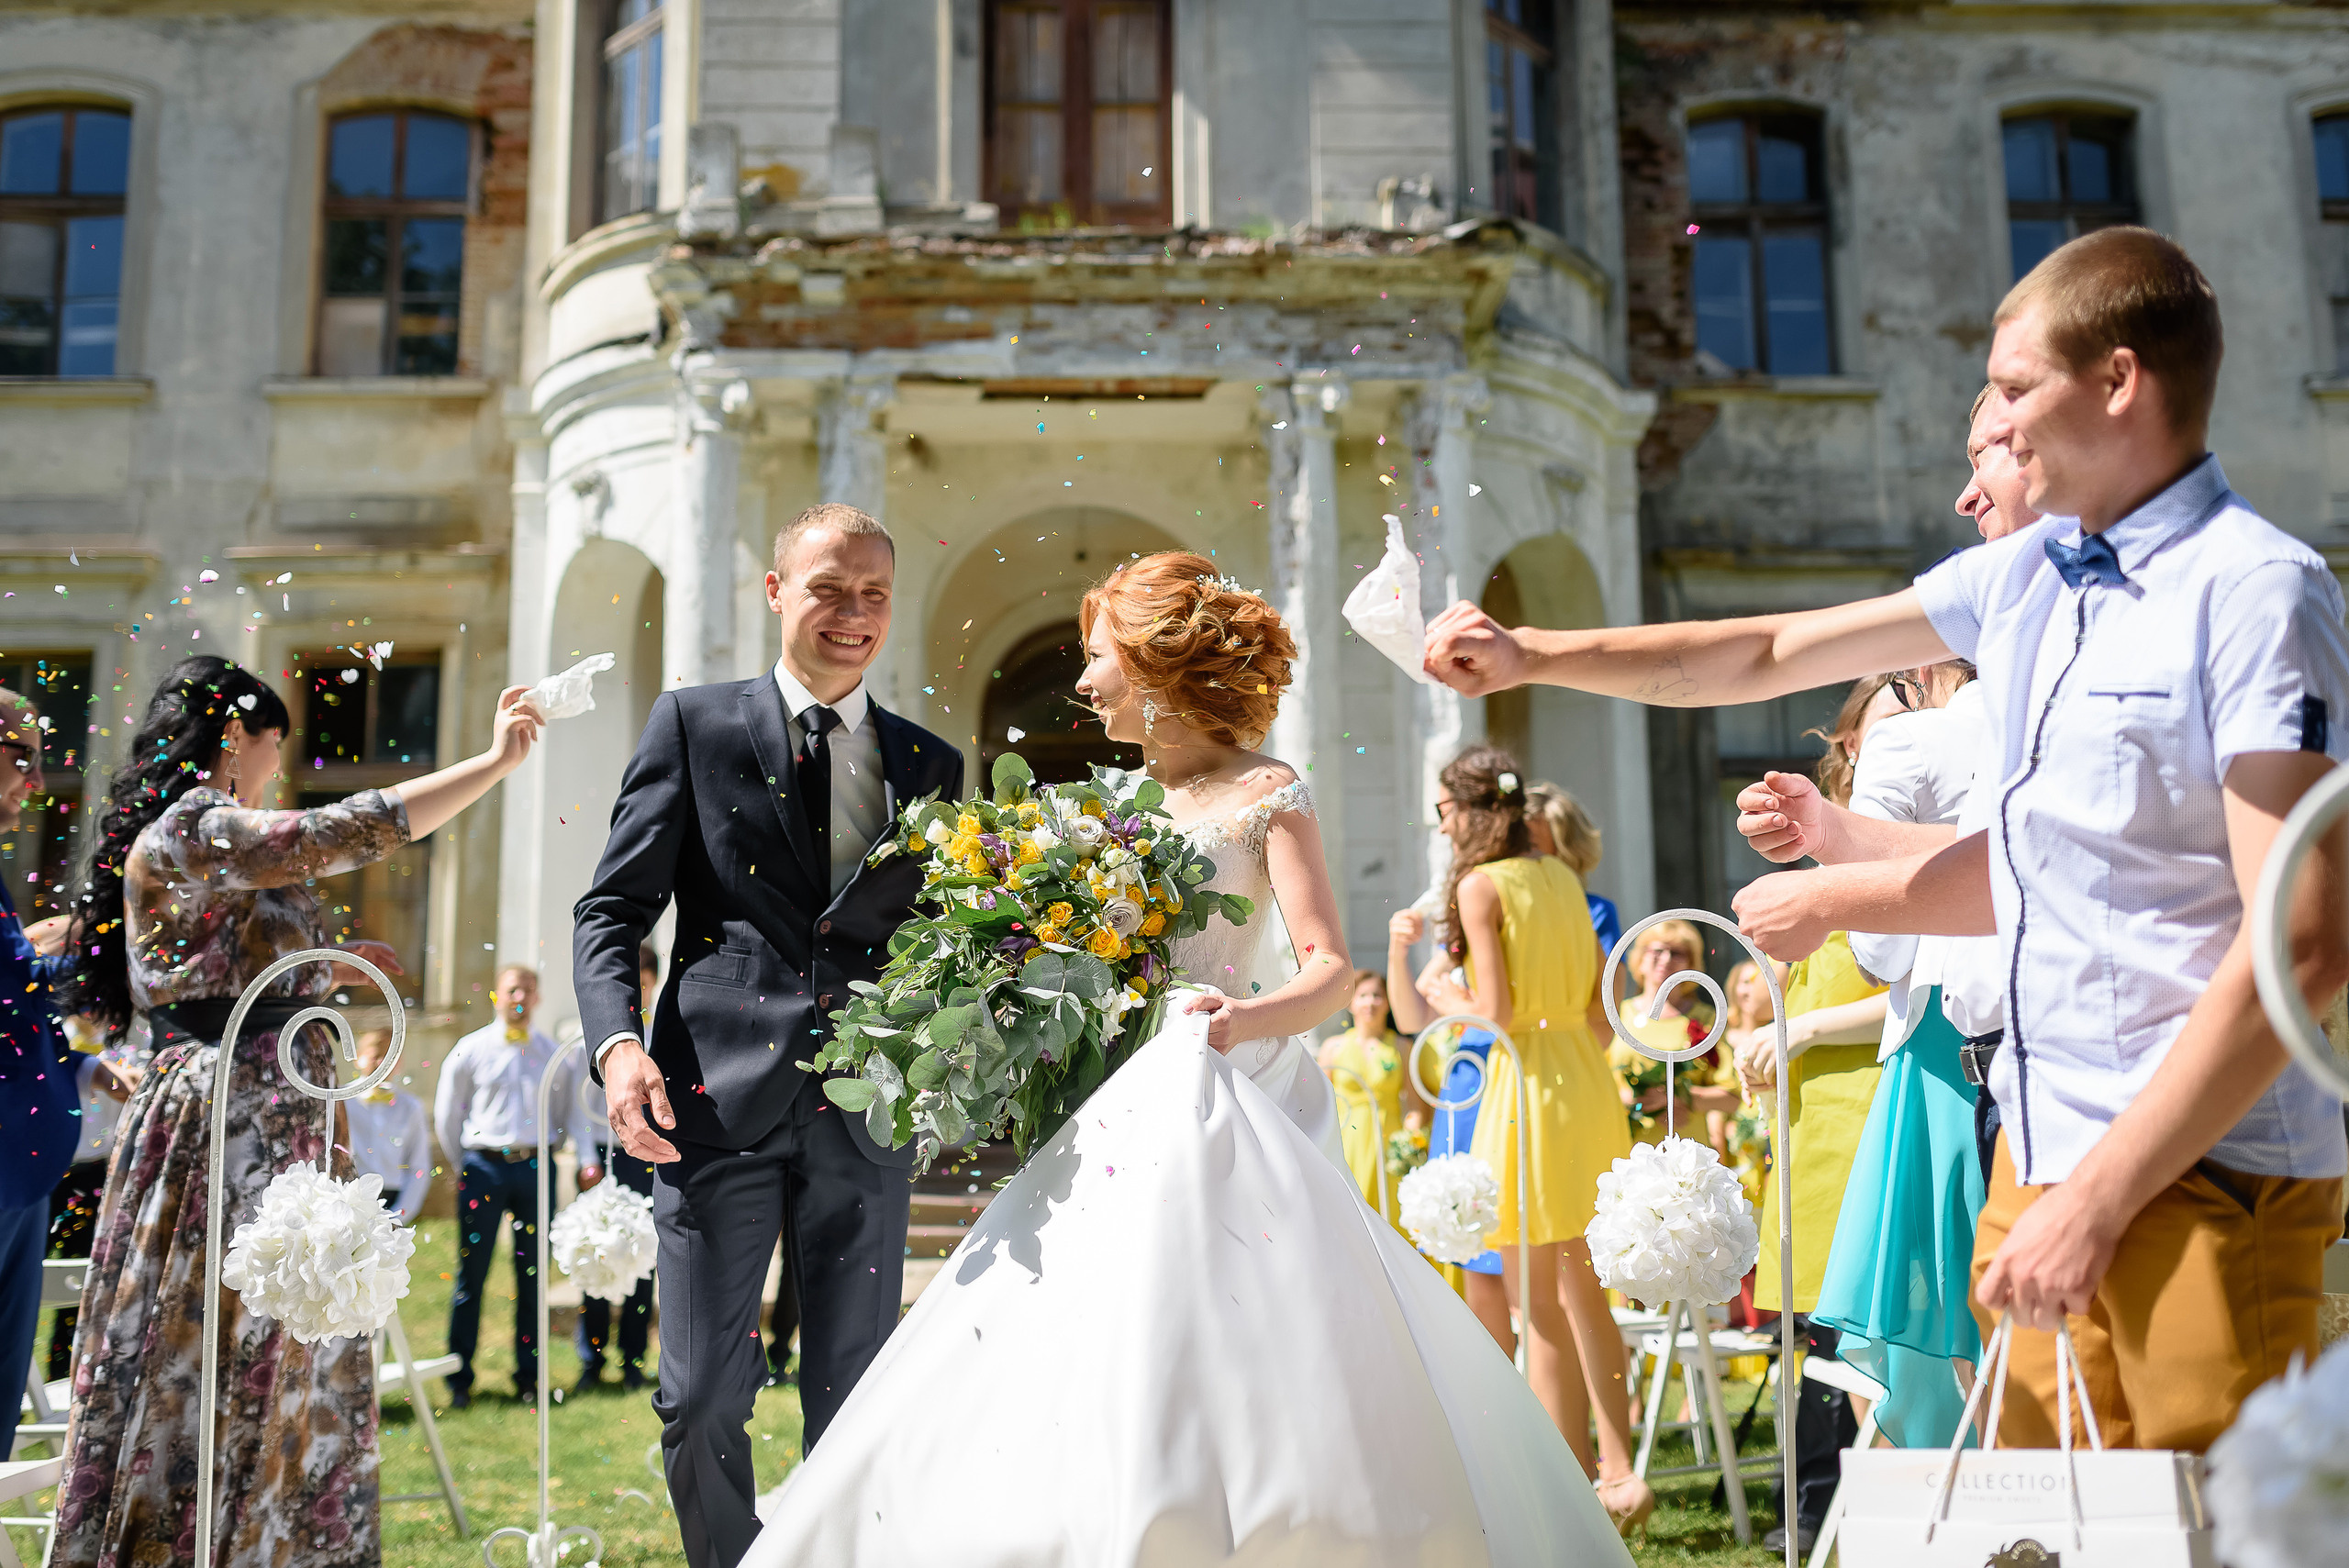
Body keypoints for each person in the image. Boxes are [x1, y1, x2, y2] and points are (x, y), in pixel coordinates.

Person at [1423, 226, 2349, 1453]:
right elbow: (1770, 651)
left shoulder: (2257, 589)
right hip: (2038, 1153)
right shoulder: (2025, 578)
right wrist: (1534, 654)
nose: (1995, 425)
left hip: (2212, 1169)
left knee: (2222, 1524)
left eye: (2015, 387)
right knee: (2044, 1526)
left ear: (2118, 382)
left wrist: (2100, 1195)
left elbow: (2303, 943)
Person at [741, 555, 1631, 1567]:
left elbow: (1329, 968)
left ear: (1155, 665)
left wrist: (1239, 1020)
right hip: (1114, 1100)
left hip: (1226, 1093)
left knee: (1235, 1324)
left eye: (1097, 658)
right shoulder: (1111, 804)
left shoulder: (1267, 791)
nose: (1083, 682)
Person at [54, 653, 541, 1568]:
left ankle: (274, 1545)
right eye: (276, 744)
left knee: (291, 1345)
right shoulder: (189, 827)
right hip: (224, 1123)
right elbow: (332, 831)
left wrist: (323, 965)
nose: (277, 766)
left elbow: (233, 961)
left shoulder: (213, 842)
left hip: (283, 1113)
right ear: (236, 733)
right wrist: (493, 763)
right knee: (218, 1343)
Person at [573, 503, 964, 1568]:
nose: (853, 612)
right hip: (710, 1101)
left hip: (866, 1111)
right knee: (701, 1392)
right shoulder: (693, 724)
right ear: (777, 589)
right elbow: (611, 910)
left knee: (855, 1397)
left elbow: (939, 938)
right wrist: (616, 1045)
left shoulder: (930, 762)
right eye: (829, 587)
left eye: (874, 593)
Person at [1387, 746, 1650, 1530]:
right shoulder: (1563, 877)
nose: (1442, 826)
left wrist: (1447, 997)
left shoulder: (1481, 885)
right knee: (1585, 1289)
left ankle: (1565, 1492)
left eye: (1443, 811)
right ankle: (1618, 1470)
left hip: (1521, 1088)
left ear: (1471, 811)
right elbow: (1604, 1013)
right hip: (1583, 1083)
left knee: (1534, 1297)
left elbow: (1494, 1012)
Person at [434, 965, 601, 1407]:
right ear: (497, 995)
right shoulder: (469, 1049)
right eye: (512, 990)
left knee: (533, 1276)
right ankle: (459, 1378)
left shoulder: (553, 1054)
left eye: (528, 990)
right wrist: (464, 1164)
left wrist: (566, 1154)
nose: (520, 997)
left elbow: (568, 1113)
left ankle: (529, 1377)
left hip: (534, 1169)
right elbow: (448, 1114)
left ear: (538, 998)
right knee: (472, 1273)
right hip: (483, 1168)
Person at [0, 684, 81, 1439]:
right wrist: (104, 944)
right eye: (22, 756)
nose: (37, 779)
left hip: (24, 1172)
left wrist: (78, 1066)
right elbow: (12, 984)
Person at [578, 944, 662, 1394]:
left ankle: (632, 1358)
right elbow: (577, 1108)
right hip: (603, 1155)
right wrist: (586, 1160)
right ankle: (591, 1359)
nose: (637, 993)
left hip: (645, 1156)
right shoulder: (593, 1033)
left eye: (643, 984)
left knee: (641, 1256)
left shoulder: (663, 1031)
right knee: (596, 1247)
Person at [1610, 919, 1731, 1147]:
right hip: (1623, 1144)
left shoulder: (1707, 1019)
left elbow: (1733, 1097)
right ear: (1640, 960)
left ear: (1691, 964)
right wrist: (1630, 1101)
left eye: (1677, 953)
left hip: (1687, 1148)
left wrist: (1683, 1099)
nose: (1666, 959)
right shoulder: (1617, 1013)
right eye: (1657, 950)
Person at [1318, 970, 1416, 1224]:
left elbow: (1415, 1105)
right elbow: (1319, 1103)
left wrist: (1409, 1145)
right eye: (1362, 995)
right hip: (1347, 1141)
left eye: (1377, 995)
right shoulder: (1333, 1047)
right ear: (1350, 1002)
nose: (1370, 1002)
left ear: (1388, 1002)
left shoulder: (1402, 1047)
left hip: (1389, 1142)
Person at [344, 1028, 434, 1225]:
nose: (381, 1063)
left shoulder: (411, 1106)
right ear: (358, 1058)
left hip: (392, 1198)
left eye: (389, 1057)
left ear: (399, 1062)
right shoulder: (341, 1101)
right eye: (375, 1055)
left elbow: (419, 1166)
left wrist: (400, 1215)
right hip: (348, 1197)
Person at [1526, 782, 1621, 961]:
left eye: (1532, 847)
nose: (1520, 856)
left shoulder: (1596, 912)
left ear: (1567, 853)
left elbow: (1610, 979)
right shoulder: (1499, 907)